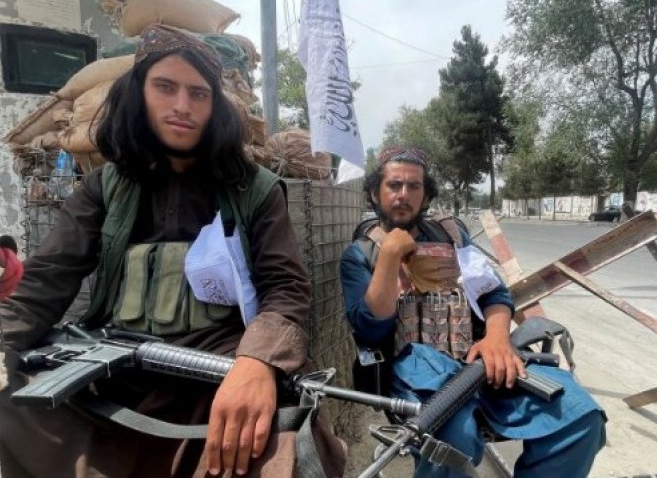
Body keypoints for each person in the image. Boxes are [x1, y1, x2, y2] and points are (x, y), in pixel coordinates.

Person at [0, 25, 345, 478]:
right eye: (165, 87)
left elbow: (285, 289)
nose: (182, 105)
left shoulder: (255, 189)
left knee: (289, 444)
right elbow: (45, 281)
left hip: (217, 375)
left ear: (215, 106)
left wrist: (257, 363)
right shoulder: (104, 187)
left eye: (198, 94)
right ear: (138, 94)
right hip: (112, 377)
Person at [340, 146, 606, 478]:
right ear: (374, 193)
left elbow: (494, 292)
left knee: (579, 415)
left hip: (479, 361)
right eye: (394, 185)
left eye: (414, 186)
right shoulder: (360, 255)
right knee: (455, 436)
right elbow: (370, 330)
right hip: (415, 373)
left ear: (426, 195)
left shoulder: (452, 235)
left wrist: (497, 338)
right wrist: (390, 255)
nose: (403, 194)